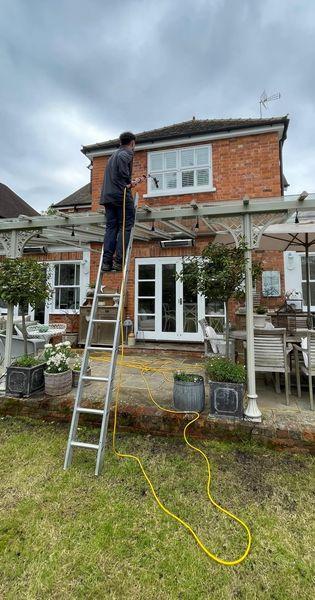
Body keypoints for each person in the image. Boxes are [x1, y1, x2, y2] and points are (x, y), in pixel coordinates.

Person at [100, 131, 138, 272]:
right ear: (132, 143)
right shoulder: (126, 153)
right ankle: (118, 261)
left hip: (107, 197)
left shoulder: (111, 157)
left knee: (111, 227)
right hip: (120, 195)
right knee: (126, 226)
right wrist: (129, 182)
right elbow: (123, 173)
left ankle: (106, 263)